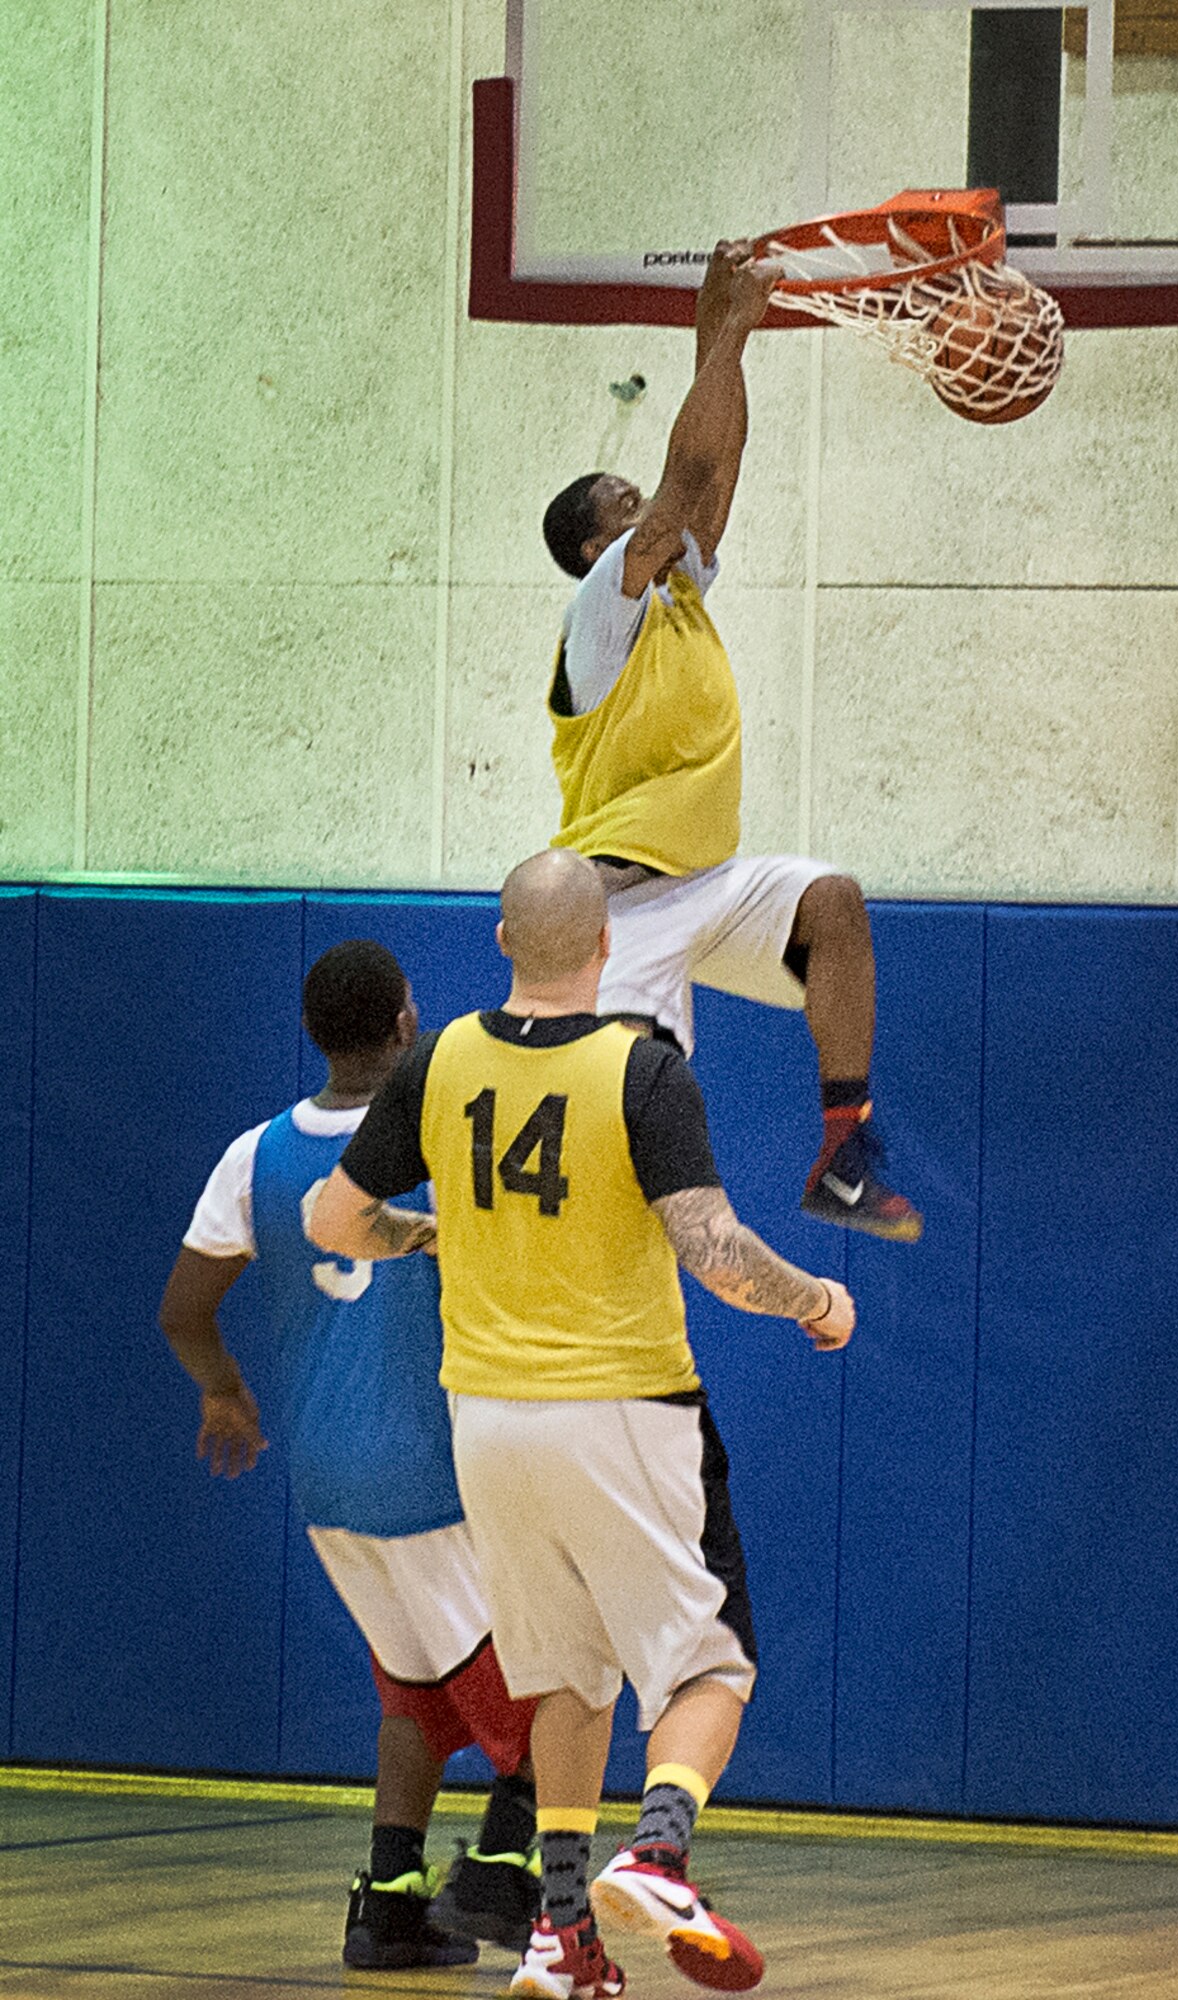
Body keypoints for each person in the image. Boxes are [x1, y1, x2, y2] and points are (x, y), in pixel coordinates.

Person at [309, 850, 856, 2000]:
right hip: (620, 1410)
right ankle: (658, 1853)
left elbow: (336, 1215)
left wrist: (433, 1235)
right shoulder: (642, 1070)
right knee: (713, 1662)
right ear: (608, 948)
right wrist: (815, 1298)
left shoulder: (443, 1056)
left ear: (503, 940)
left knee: (566, 1671)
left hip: (489, 1424)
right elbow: (713, 1253)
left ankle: (563, 1930)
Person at [158, 939, 541, 1972]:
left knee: (415, 1694)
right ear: (408, 1023)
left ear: (312, 1031)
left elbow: (183, 1310)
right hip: (435, 1467)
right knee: (551, 1694)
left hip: (325, 1478)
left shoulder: (255, 1153)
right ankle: (513, 1878)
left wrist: (224, 1391)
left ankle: (389, 1901)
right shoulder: (450, 1135)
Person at [539, 244, 922, 1245]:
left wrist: (723, 335)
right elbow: (686, 475)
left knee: (831, 902)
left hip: (701, 883)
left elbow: (718, 470)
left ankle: (843, 1151)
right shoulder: (601, 608)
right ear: (596, 547)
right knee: (624, 1125)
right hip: (610, 909)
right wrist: (728, 330)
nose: (651, 509)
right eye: (624, 505)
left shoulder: (678, 598)